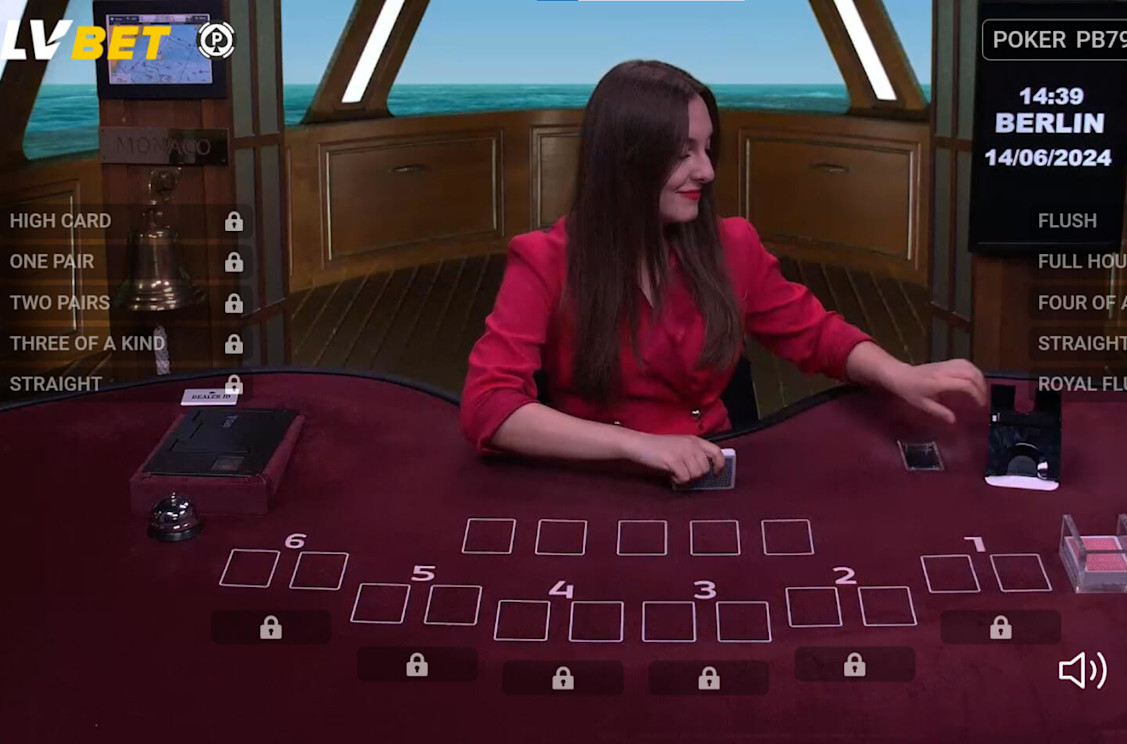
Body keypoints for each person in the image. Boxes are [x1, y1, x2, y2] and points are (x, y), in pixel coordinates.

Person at [460, 60, 987, 485]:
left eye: (707, 149)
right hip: (596, 478)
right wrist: (640, 446)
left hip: (714, 464)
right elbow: (488, 405)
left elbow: (816, 333)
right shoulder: (543, 259)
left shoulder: (734, 244)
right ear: (626, 161)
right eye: (684, 153)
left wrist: (898, 373)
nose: (707, 171)